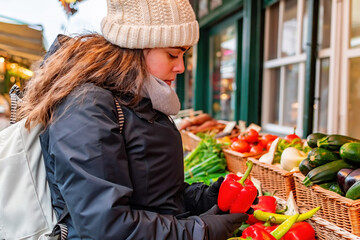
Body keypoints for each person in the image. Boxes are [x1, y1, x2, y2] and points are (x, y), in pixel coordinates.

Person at [18, 0, 252, 239]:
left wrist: (200, 199)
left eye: (183, 54)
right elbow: (105, 227)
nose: (181, 67)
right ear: (136, 46)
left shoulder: (137, 97)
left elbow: (150, 192)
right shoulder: (87, 106)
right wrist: (200, 231)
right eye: (172, 54)